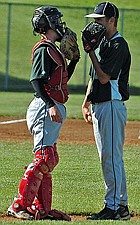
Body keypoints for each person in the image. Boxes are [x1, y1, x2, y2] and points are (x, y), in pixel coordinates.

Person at [7, 6, 79, 220]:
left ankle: (42, 210)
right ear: (46, 24)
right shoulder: (43, 49)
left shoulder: (53, 49)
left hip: (51, 107)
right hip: (44, 108)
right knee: (44, 156)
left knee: (50, 158)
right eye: (56, 20)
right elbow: (36, 81)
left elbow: (61, 79)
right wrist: (50, 105)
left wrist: (73, 61)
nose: (60, 24)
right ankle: (19, 205)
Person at [82, 1, 131, 220]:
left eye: (99, 20)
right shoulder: (105, 43)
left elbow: (103, 77)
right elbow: (94, 77)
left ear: (111, 20)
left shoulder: (119, 45)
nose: (95, 24)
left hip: (112, 105)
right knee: (108, 157)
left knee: (111, 158)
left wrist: (90, 52)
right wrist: (86, 102)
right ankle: (118, 204)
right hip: (101, 105)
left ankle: (115, 206)